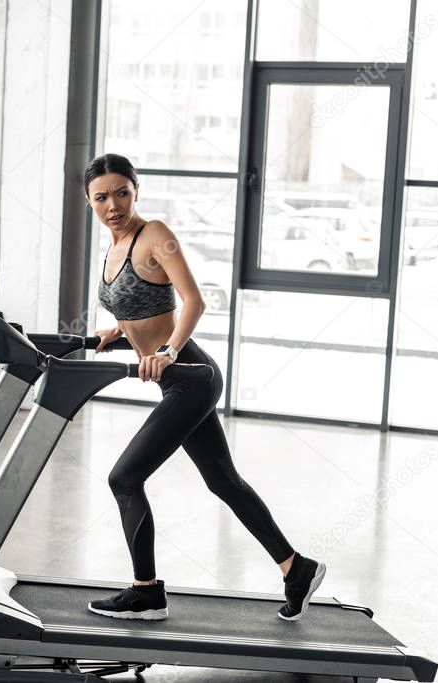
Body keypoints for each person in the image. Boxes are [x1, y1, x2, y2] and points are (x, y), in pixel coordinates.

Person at [83, 153, 325, 623]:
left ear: (136, 191)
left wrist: (168, 350)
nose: (112, 204)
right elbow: (138, 303)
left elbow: (194, 301)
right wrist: (120, 331)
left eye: (122, 193)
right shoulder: (111, 249)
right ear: (88, 200)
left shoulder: (155, 235)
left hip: (190, 375)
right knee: (223, 480)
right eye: (101, 197)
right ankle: (297, 568)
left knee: (124, 478)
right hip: (177, 379)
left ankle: (146, 592)